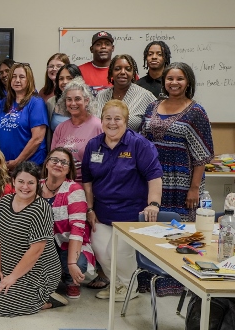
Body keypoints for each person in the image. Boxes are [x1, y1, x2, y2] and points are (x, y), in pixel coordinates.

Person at [82, 100, 163, 301]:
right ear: (101, 121)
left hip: (130, 215)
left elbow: (154, 177)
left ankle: (129, 288)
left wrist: (153, 204)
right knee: (101, 250)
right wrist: (90, 208)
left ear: (126, 122)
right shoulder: (93, 145)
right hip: (102, 213)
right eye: (108, 118)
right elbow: (88, 181)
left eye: (117, 119)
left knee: (117, 251)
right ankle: (117, 284)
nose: (112, 123)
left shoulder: (139, 145)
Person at [0, 162, 65, 316]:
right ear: (13, 182)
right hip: (9, 264)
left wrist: (13, 277)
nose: (25, 187)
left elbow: (36, 249)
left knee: (1, 306)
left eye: (31, 182)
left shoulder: (41, 209)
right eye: (21, 182)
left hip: (38, 270)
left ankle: (47, 299)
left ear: (37, 183)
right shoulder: (5, 202)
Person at [141, 63, 213, 221]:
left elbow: (201, 156)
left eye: (180, 79)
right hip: (153, 178)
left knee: (180, 231)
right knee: (152, 227)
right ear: (164, 81)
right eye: (170, 78)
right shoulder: (152, 106)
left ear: (188, 82)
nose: (174, 83)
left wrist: (194, 189)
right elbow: (142, 142)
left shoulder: (197, 112)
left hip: (182, 182)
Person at [39, 148, 94, 300]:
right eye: (54, 160)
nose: (58, 164)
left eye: (64, 162)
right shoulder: (36, 186)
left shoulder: (74, 190)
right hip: (43, 243)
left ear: (69, 169)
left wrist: (71, 263)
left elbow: (77, 230)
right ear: (47, 164)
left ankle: (71, 281)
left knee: (79, 263)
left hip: (67, 243)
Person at [0, 62, 48, 167]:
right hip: (6, 165)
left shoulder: (36, 102)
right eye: (14, 77)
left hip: (30, 165)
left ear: (28, 80)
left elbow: (37, 139)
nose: (17, 80)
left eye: (22, 77)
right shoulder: (5, 102)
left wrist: (17, 162)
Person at [51, 78, 102, 182]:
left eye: (77, 99)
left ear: (86, 100)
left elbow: (102, 161)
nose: (73, 103)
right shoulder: (60, 128)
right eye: (69, 99)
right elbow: (52, 159)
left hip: (87, 185)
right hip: (61, 185)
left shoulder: (98, 126)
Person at [95, 54, 156, 131]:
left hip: (132, 142)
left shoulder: (145, 96)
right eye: (117, 69)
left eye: (128, 69)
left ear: (133, 74)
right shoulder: (100, 96)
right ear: (111, 73)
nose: (123, 72)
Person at [46, 64, 83, 134]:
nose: (65, 82)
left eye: (69, 78)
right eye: (61, 79)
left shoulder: (86, 101)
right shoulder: (51, 102)